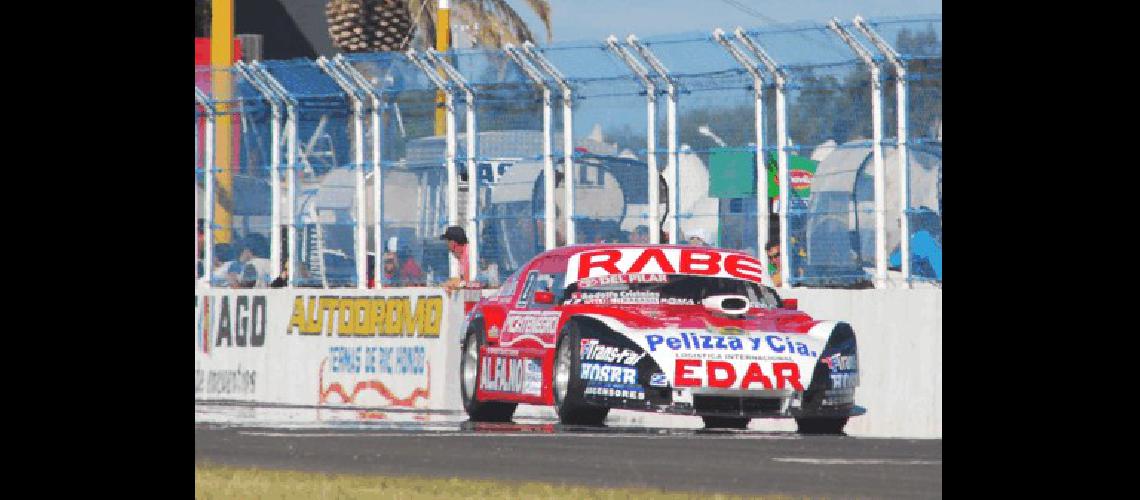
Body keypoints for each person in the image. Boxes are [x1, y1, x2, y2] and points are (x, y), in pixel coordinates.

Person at [440, 226, 471, 293]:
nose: (447, 246)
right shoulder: (463, 256)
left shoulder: (468, 256)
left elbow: (470, 283)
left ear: (453, 243)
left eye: (447, 242)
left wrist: (455, 284)